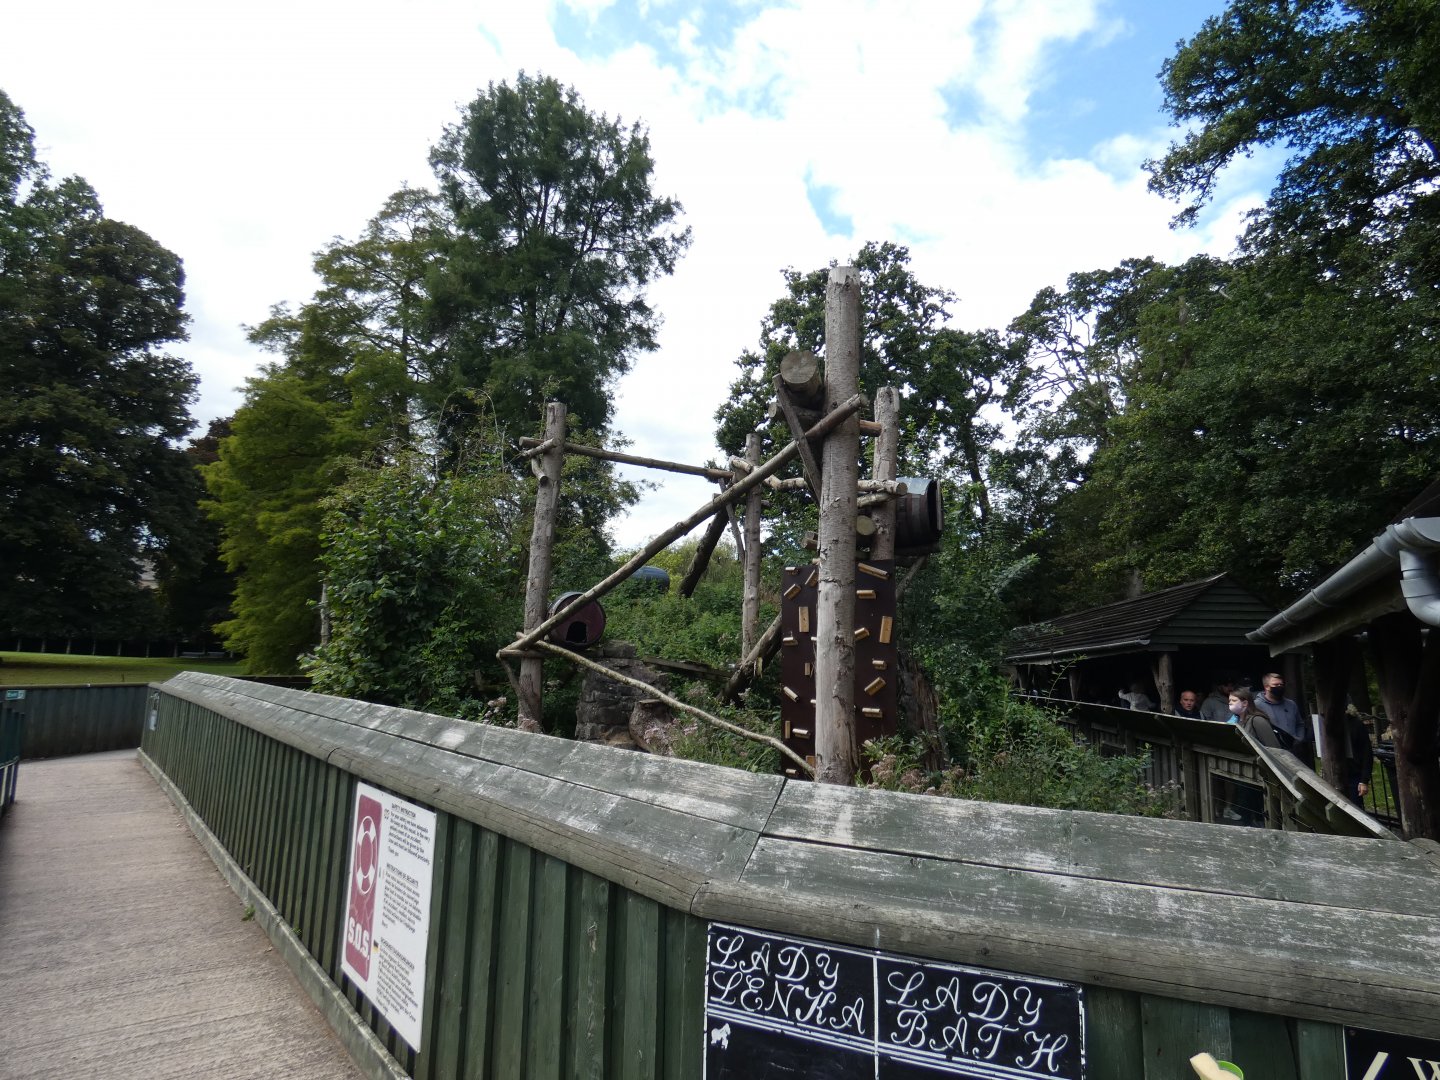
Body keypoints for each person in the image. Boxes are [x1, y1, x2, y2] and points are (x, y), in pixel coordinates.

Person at [1253, 672, 1314, 763]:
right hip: (1270, 753)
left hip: (1293, 752)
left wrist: (1298, 738)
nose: (1280, 687)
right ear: (1266, 687)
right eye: (1276, 685)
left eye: (1281, 684)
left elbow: (1299, 724)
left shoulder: (1291, 704)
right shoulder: (1256, 705)